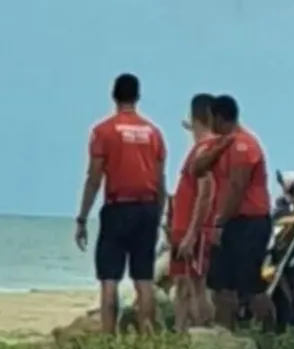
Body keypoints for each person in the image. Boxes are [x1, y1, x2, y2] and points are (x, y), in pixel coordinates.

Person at [75, 73, 167, 334]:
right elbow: (160, 180)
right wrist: (158, 215)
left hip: (118, 206)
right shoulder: (154, 133)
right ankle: (147, 336)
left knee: (109, 278)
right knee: (144, 278)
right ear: (137, 97)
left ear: (114, 96)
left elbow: (94, 177)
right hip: (147, 208)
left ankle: (108, 336)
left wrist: (82, 217)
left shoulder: (103, 131)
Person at [191, 95, 274, 330]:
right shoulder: (225, 144)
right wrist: (218, 147)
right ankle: (225, 333)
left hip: (250, 221)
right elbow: (196, 169)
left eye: (211, 120)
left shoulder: (244, 145)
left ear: (218, 118)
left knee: (250, 285)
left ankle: (269, 331)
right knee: (220, 283)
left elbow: (237, 188)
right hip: (232, 221)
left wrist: (219, 223)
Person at [167, 93, 218, 329]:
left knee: (194, 285)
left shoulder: (203, 151)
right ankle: (182, 331)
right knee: (183, 284)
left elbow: (205, 191)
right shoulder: (203, 147)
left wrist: (192, 233)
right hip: (183, 226)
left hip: (190, 228)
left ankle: (199, 332)